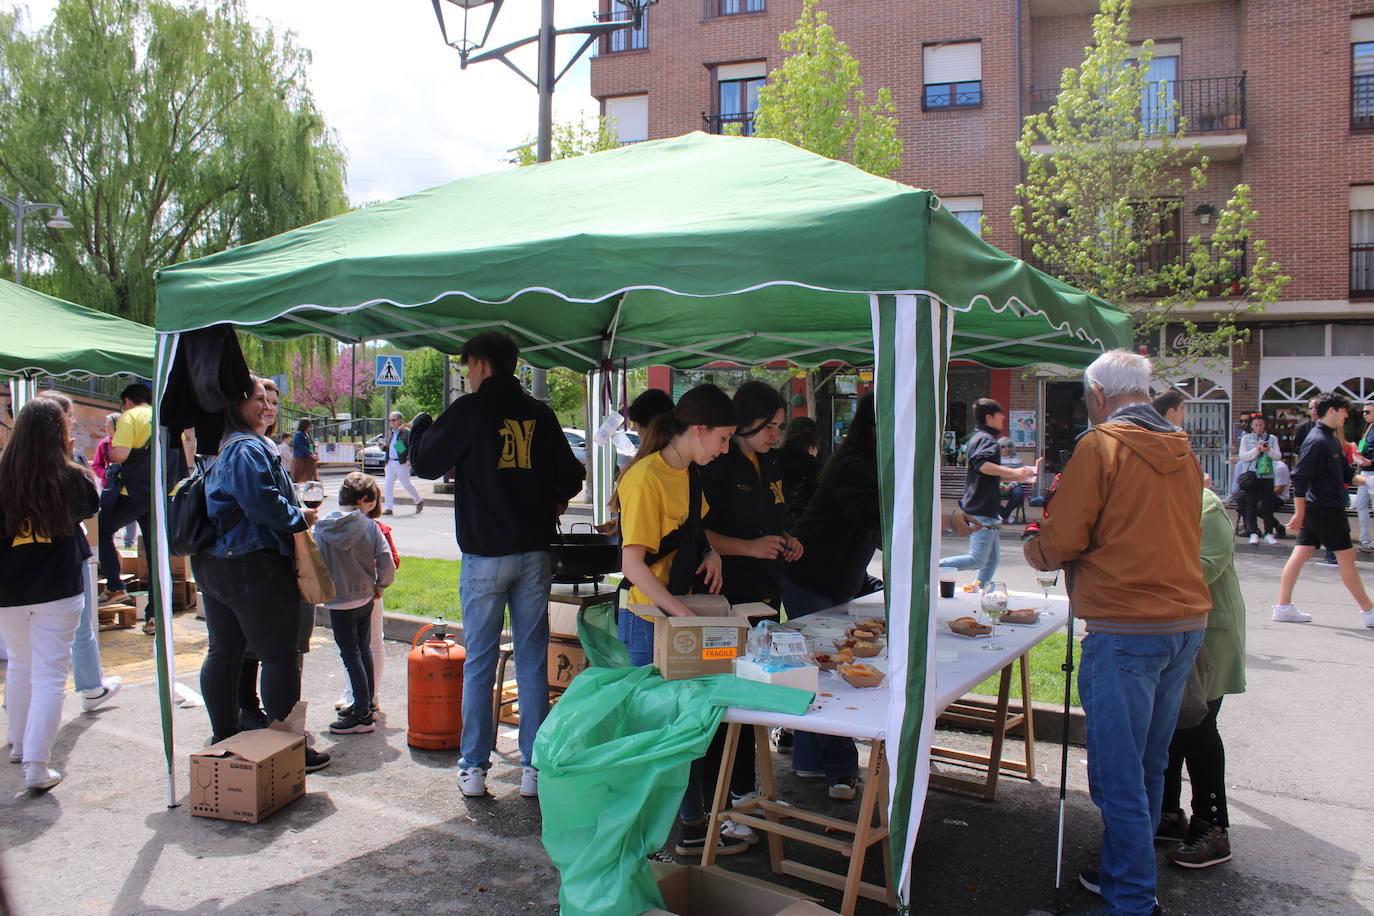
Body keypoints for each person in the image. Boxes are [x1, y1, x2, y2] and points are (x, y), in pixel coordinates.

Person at [1023, 349, 1209, 916]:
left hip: (1126, 626)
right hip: (1182, 622)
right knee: (1147, 764)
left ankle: (1131, 898)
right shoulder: (1182, 447)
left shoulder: (1099, 445)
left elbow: (1063, 540)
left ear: (1098, 395)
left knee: (1116, 775)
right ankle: (1127, 877)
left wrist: (1035, 542)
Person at [408, 331, 585, 800]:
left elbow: (424, 463)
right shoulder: (540, 414)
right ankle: (533, 770)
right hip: (533, 553)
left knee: (481, 663)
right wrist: (548, 500)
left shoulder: (470, 411)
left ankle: (473, 769)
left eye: (467, 366)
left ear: (481, 364)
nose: (466, 375)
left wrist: (421, 425)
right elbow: (572, 476)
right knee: (531, 662)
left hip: (485, 555)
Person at [613, 383, 739, 855]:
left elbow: (692, 527)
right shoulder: (646, 477)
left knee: (686, 729)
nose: (726, 449)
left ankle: (690, 827)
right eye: (723, 438)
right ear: (698, 430)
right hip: (649, 622)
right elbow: (632, 565)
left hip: (674, 617)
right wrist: (684, 615)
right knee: (654, 735)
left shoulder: (687, 471)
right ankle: (639, 844)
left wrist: (710, 552)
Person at [193, 376, 329, 772]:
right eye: (257, 400)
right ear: (236, 404)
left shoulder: (221, 448)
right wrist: (299, 517)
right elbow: (262, 503)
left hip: (217, 564)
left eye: (270, 401)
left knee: (224, 651)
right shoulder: (248, 447)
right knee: (279, 657)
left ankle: (225, 736)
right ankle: (288, 748)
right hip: (252, 563)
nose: (267, 407)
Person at [698, 381, 802, 828]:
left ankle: (746, 789)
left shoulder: (770, 463)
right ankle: (720, 800)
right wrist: (749, 548)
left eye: (780, 427)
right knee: (726, 701)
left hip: (766, 593)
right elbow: (697, 534)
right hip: (727, 597)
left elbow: (775, 520)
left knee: (756, 692)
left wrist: (787, 541)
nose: (776, 435)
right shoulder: (717, 465)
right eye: (770, 426)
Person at [781, 393, 880, 803]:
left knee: (815, 669)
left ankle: (808, 757)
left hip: (830, 579)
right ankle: (840, 768)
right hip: (811, 577)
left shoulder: (864, 461)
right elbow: (877, 517)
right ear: (877, 427)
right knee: (829, 672)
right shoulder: (855, 465)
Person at [0, 397, 101, 791]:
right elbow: (91, 510)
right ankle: (37, 765)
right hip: (57, 589)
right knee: (50, 676)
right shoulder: (70, 476)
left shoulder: (4, 477)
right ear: (58, 434)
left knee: (21, 666)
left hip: (9, 590)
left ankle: (19, 743)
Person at [1158, 483, 1247, 870]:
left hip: (1210, 635)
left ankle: (1213, 828)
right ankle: (1167, 813)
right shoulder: (1155, 499)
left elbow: (1204, 566)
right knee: (1173, 725)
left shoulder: (1204, 505)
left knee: (1197, 727)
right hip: (1177, 631)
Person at [35, 393, 123, 715]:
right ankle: (89, 687)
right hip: (63, 560)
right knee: (76, 633)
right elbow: (89, 505)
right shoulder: (65, 463)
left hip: (22, 573)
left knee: (28, 656)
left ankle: (22, 718)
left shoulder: (14, 465)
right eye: (69, 416)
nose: (73, 421)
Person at [1272, 391, 1374, 628]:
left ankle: (1283, 607)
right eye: (1344, 410)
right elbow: (1300, 477)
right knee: (1347, 557)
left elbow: (1346, 473)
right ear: (1332, 411)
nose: (1347, 415)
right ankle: (1369, 611)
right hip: (1325, 508)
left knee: (1302, 553)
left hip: (1322, 506)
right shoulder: (1317, 440)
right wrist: (1298, 513)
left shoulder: (1329, 438)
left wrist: (1368, 481)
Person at [314, 472, 395, 735]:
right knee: (363, 651)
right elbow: (387, 563)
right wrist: (379, 586)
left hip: (338, 600)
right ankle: (366, 704)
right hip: (365, 597)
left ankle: (360, 714)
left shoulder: (322, 527)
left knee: (351, 655)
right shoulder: (370, 526)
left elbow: (314, 562)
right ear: (363, 500)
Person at [940, 398, 1039, 588]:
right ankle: (929, 568)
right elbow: (980, 464)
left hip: (986, 508)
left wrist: (1016, 476)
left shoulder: (983, 438)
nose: (1003, 417)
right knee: (976, 559)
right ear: (989, 417)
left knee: (991, 559)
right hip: (981, 508)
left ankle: (980, 589)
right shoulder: (986, 439)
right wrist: (1013, 473)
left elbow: (984, 472)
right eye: (999, 414)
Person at [95, 384, 154, 627]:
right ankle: (154, 617)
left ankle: (115, 586)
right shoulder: (163, 415)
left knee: (101, 529)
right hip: (159, 494)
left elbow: (119, 453)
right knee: (155, 555)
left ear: (128, 401)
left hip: (133, 492)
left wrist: (113, 455)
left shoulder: (131, 416)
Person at [1237, 413, 1283, 546]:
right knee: (1251, 504)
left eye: (1261, 425)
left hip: (1267, 475)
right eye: (1256, 425)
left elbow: (1278, 456)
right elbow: (1243, 456)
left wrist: (1268, 450)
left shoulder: (1272, 438)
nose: (1259, 427)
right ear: (1252, 426)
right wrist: (1256, 450)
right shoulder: (1246, 438)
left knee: (1267, 505)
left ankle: (1269, 533)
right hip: (1251, 475)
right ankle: (1253, 532)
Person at [773, 415, 821, 530]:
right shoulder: (817, 469)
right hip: (805, 533)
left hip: (770, 534)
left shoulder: (771, 460)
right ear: (815, 443)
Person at [381, 411, 423, 516]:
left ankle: (418, 501)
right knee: (388, 485)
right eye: (390, 420)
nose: (391, 422)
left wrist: (409, 459)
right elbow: (393, 447)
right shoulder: (390, 432)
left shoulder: (406, 432)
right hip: (391, 462)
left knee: (406, 484)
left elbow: (409, 447)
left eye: (393, 420)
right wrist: (383, 448)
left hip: (401, 463)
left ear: (399, 420)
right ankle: (388, 508)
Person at [1356, 403, 1374, 552]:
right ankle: (1364, 539)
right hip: (1365, 471)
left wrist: (1371, 461)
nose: (1364, 414)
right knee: (1360, 504)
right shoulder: (1368, 427)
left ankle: (1367, 540)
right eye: (1363, 412)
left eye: (1367, 412)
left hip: (1372, 471)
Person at [995, 437, 1025, 524]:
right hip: (998, 483)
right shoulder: (995, 459)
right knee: (986, 494)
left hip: (1013, 483)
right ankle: (1005, 514)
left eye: (1002, 446)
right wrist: (1000, 484)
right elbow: (992, 474)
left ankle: (1003, 515)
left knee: (1019, 494)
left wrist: (1010, 485)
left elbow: (1019, 475)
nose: (999, 448)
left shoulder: (1016, 459)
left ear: (1008, 448)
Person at [291, 418, 319, 483]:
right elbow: (301, 446)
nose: (310, 427)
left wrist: (313, 451)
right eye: (309, 425)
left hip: (308, 458)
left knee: (312, 476)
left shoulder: (307, 433)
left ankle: (310, 489)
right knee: (297, 476)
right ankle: (294, 490)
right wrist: (311, 454)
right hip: (300, 458)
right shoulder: (299, 434)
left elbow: (310, 444)